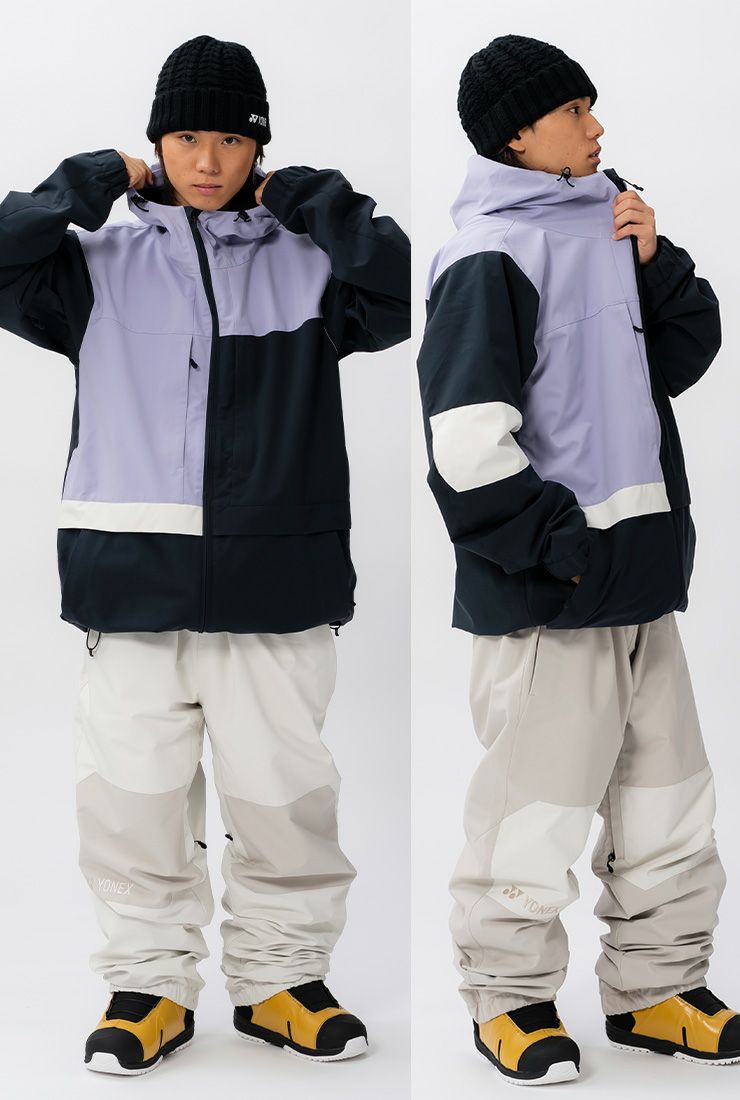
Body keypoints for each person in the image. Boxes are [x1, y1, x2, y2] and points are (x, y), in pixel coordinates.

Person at [0, 34, 410, 1075]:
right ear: (157, 143)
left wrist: (307, 197)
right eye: (185, 138)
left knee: (284, 801)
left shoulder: (308, 263)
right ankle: (147, 985)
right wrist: (95, 178)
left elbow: (403, 286)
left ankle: (282, 982)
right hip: (129, 580)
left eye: (231, 139)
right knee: (133, 803)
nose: (209, 160)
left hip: (276, 586)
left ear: (259, 146)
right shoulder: (94, 265)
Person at [416, 32, 736, 1086]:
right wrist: (558, 553)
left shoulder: (606, 222)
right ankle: (507, 999)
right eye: (574, 112)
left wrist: (654, 259)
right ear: (518, 134)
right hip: (551, 592)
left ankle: (659, 990)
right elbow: (465, 440)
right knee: (533, 810)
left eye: (592, 108)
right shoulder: (488, 254)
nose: (596, 127)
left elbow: (678, 355)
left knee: (666, 799)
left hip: (638, 574)